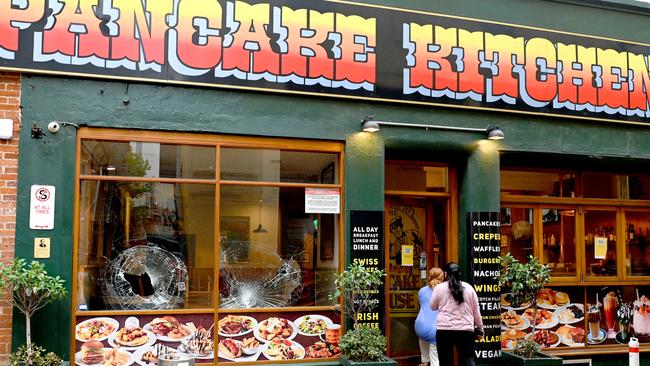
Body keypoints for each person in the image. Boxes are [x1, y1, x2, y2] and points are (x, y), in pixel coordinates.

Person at [430, 262, 484, 366]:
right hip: (465, 330)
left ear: (445, 274)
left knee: (445, 362)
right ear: (460, 273)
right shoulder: (469, 288)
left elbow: (432, 306)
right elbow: (476, 311)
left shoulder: (439, 288)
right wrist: (480, 329)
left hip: (444, 330)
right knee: (468, 359)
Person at [415, 267, 444, 366]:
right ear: (442, 278)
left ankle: (424, 362)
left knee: (425, 357)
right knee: (435, 359)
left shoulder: (422, 291)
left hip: (420, 326)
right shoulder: (444, 292)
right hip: (434, 329)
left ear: (429, 277)